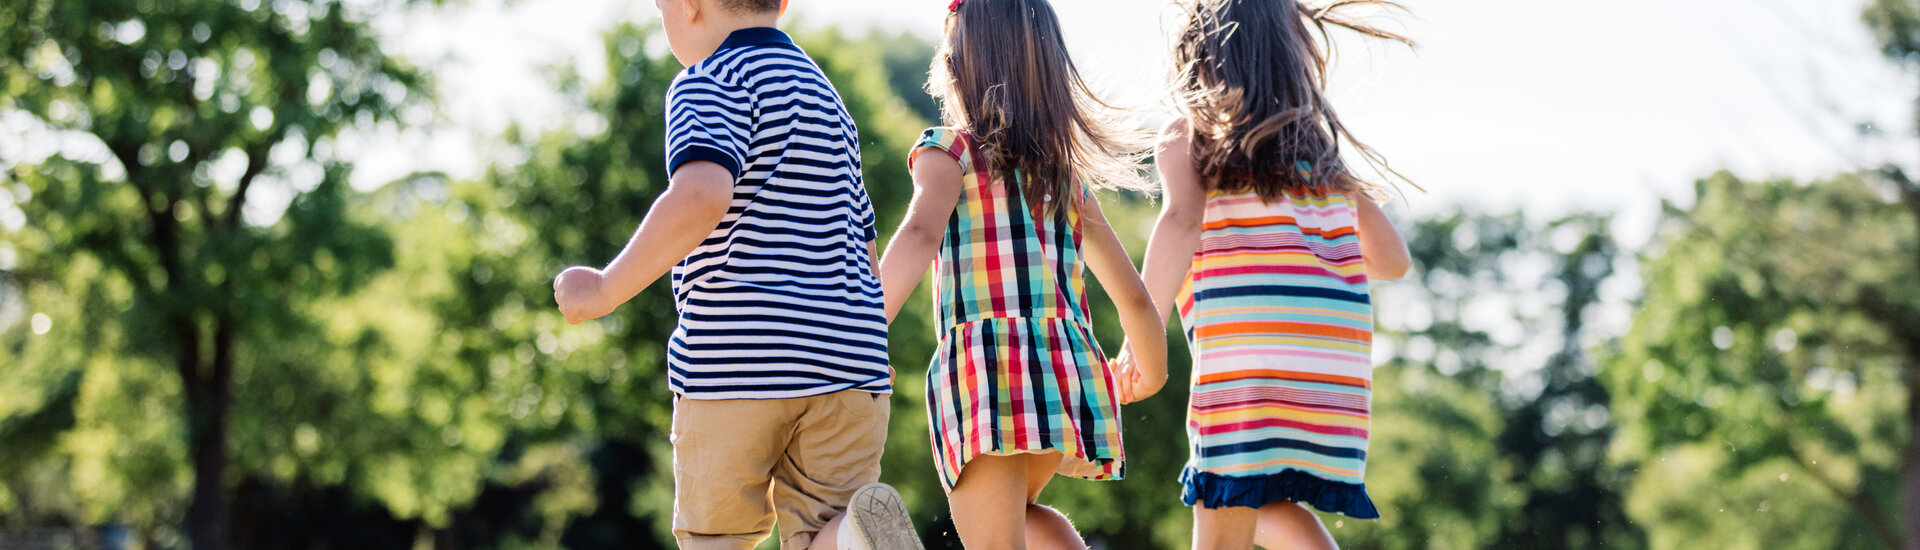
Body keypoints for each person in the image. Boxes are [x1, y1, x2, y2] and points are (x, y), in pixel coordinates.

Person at [551, 0, 920, 548]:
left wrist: (605, 288)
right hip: (850, 364)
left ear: (688, 5)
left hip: (737, 361)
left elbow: (701, 193)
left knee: (715, 536)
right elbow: (859, 233)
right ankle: (851, 535)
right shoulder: (826, 97)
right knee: (823, 528)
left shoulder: (709, 79)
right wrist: (866, 339)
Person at [1114, 0, 1415, 548]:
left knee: (1224, 500)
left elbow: (1180, 221)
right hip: (1332, 374)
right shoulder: (1320, 157)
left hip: (1246, 367)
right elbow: (1393, 260)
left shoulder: (1191, 136)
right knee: (1268, 498)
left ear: (1200, 59)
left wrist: (1141, 333)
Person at [873, 1, 1169, 548]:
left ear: (956, 68)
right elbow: (1133, 297)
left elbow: (918, 236)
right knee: (1025, 517)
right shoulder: (1063, 177)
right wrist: (1150, 369)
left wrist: (861, 334)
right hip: (1062, 374)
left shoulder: (949, 152)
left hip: (985, 375)